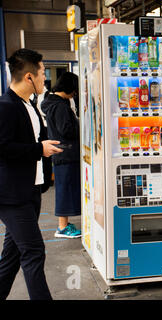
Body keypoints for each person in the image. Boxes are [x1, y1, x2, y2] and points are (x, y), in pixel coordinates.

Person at [0, 48, 63, 300]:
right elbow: (2, 148)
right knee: (34, 252)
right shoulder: (6, 106)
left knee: (12, 255)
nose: (44, 79)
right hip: (12, 196)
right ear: (29, 76)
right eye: (41, 73)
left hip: (31, 191)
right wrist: (39, 148)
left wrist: (44, 149)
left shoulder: (29, 105)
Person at [41, 72, 82, 238]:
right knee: (65, 190)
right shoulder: (60, 106)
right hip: (65, 153)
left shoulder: (53, 102)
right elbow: (66, 129)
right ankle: (62, 227)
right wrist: (80, 127)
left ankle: (64, 224)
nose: (75, 94)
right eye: (74, 90)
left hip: (61, 153)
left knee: (65, 189)